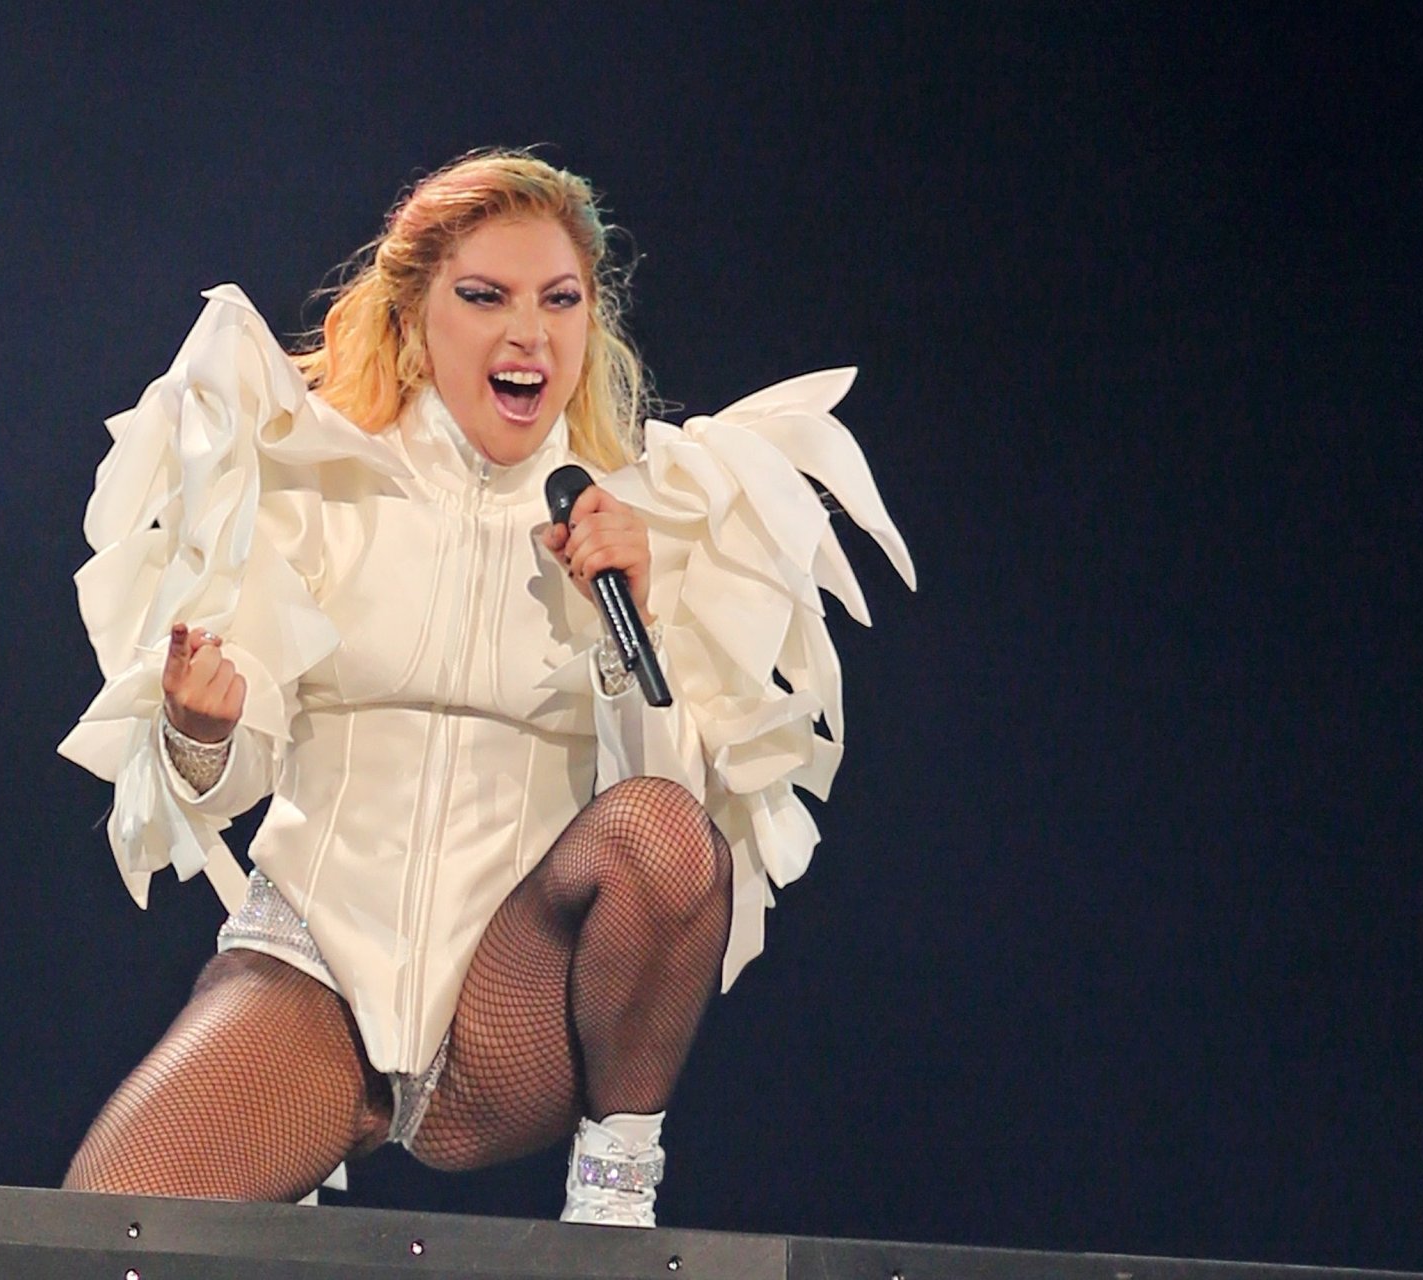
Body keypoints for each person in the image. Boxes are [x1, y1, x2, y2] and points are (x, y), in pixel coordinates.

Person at [56, 149, 914, 1227]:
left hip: (512, 1005)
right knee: (101, 1227)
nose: (529, 334)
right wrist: (198, 729)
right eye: (485, 297)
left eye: (560, 300)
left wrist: (634, 620)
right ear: (416, 318)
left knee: (660, 827)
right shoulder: (320, 488)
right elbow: (226, 785)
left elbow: (682, 855)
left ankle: (617, 1186)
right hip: (319, 969)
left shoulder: (635, 519)